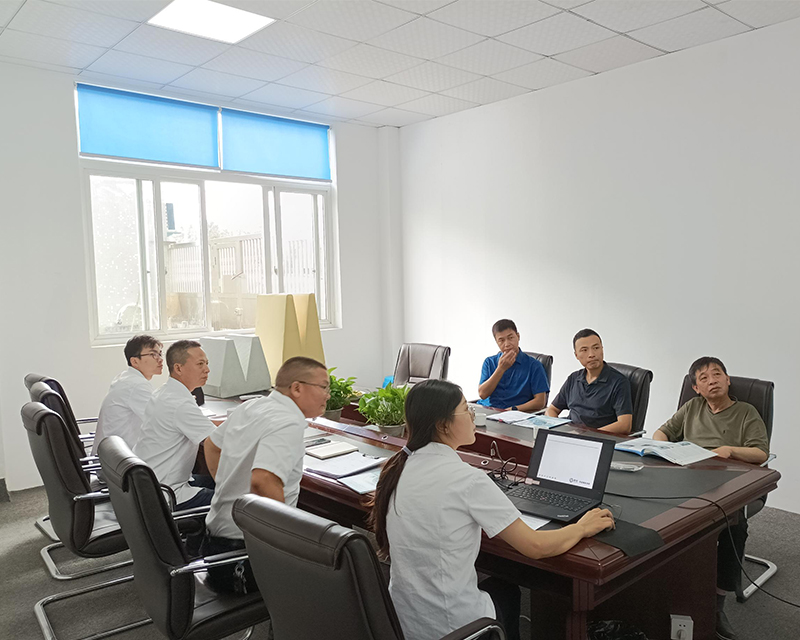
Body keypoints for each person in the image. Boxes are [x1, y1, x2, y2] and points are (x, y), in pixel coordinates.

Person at [370, 379, 614, 640]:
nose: (473, 415)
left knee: (501, 584)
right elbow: (536, 546)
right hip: (454, 628)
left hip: (403, 621)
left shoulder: (397, 468)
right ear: (443, 425)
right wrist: (582, 527)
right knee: (508, 591)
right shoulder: (467, 479)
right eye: (466, 409)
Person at [654, 356, 769, 640]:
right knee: (658, 513)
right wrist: (664, 449)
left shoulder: (746, 412)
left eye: (717, 374)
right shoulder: (692, 407)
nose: (712, 381)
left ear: (728, 380)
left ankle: (717, 604)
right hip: (689, 478)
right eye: (703, 378)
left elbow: (760, 453)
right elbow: (661, 432)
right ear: (696, 388)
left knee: (734, 527)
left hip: (729, 482)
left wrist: (729, 450)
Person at [200, 356, 330, 594]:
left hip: (214, 545)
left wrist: (227, 485)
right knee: (337, 576)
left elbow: (211, 445)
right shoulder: (287, 422)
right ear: (297, 388)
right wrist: (286, 544)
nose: (327, 395)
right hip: (241, 559)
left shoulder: (252, 406)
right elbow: (263, 481)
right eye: (323, 387)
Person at [134, 340, 216, 510]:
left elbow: (203, 425)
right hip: (167, 494)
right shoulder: (180, 404)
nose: (207, 369)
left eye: (207, 363)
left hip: (150, 484)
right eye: (200, 364)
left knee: (213, 481)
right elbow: (217, 442)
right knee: (236, 500)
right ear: (178, 368)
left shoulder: (164, 393)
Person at [545, 329, 632, 434]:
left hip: (598, 438)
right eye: (584, 350)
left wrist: (588, 435)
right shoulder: (574, 378)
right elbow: (551, 410)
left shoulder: (619, 382)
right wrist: (557, 429)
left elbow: (624, 425)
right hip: (570, 434)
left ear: (602, 349)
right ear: (576, 355)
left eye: (596, 348)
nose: (591, 354)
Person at [91, 335, 163, 456]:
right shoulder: (136, 385)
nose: (160, 359)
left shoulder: (127, 378)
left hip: (112, 457)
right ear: (134, 361)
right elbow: (161, 421)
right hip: (119, 461)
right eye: (153, 354)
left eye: (160, 354)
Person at [478, 319, 549, 411]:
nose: (507, 344)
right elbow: (482, 394)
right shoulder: (489, 362)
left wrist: (513, 409)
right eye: (501, 340)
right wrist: (501, 369)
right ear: (496, 342)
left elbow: (540, 402)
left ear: (518, 336)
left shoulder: (534, 365)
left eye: (510, 338)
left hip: (514, 414)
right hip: (487, 410)